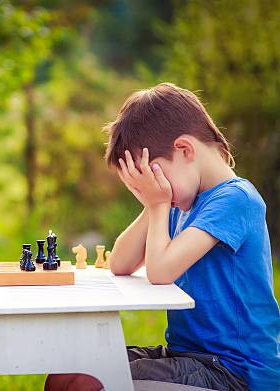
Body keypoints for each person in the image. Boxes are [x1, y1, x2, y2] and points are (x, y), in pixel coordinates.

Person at [45, 83, 279, 391]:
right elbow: (121, 264)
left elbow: (160, 271)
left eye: (155, 177)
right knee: (68, 374)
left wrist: (158, 204)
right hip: (190, 357)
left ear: (185, 150)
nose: (157, 191)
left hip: (234, 372)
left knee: (86, 384)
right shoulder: (182, 199)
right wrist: (151, 204)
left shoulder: (235, 199)